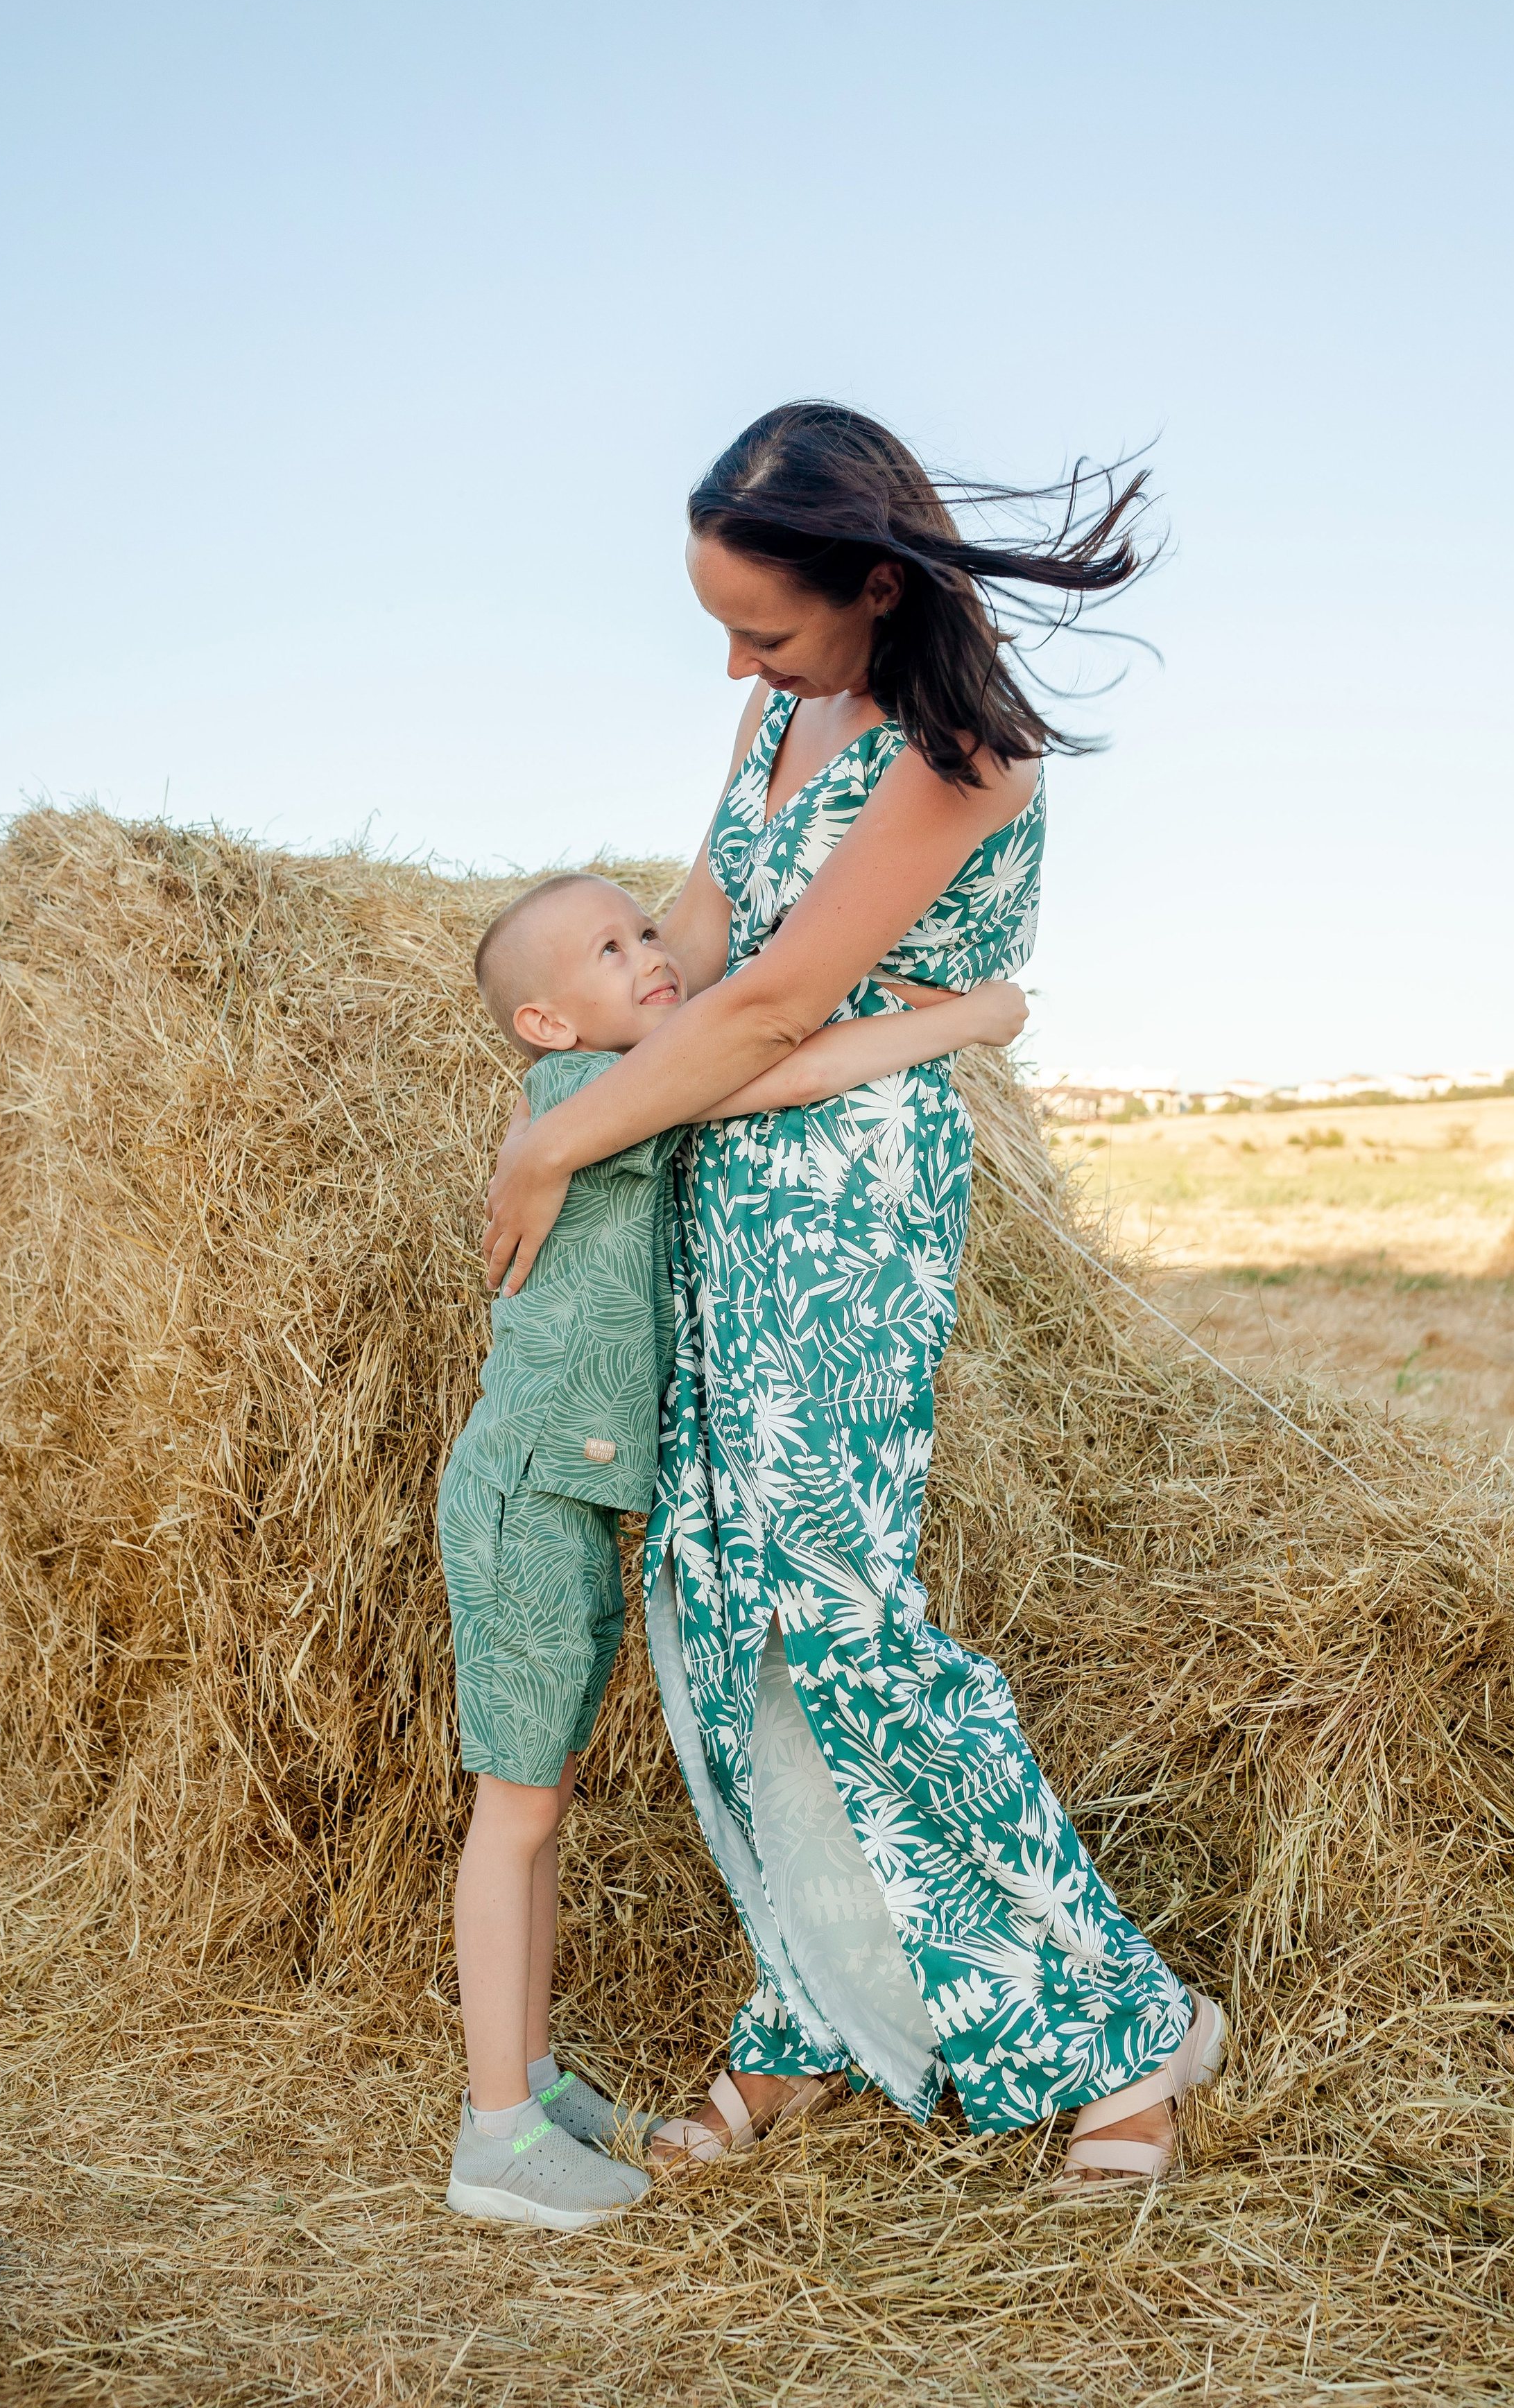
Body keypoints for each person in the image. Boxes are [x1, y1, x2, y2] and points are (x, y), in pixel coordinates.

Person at [481, 402, 1223, 2199]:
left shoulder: (968, 754)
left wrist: (551, 1149)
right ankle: (818, 2002)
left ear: (880, 585)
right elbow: (704, 953)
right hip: (719, 1184)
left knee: (841, 1609)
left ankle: (1130, 2034)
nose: (737, 663)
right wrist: (586, 1067)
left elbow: (765, 1015)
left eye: (770, 628)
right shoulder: (776, 712)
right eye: (724, 625)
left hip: (849, 1208)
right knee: (725, 1604)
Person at [442, 867, 1029, 2228]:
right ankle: (492, 2139)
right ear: (545, 1026)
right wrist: (968, 1019)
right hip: (531, 1496)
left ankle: (525, 2081)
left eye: (646, 929)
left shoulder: (604, 1089)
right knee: (513, 1818)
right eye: (608, 949)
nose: (651, 954)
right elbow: (774, 1068)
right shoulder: (581, 1105)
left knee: (542, 1803)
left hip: (574, 1498)